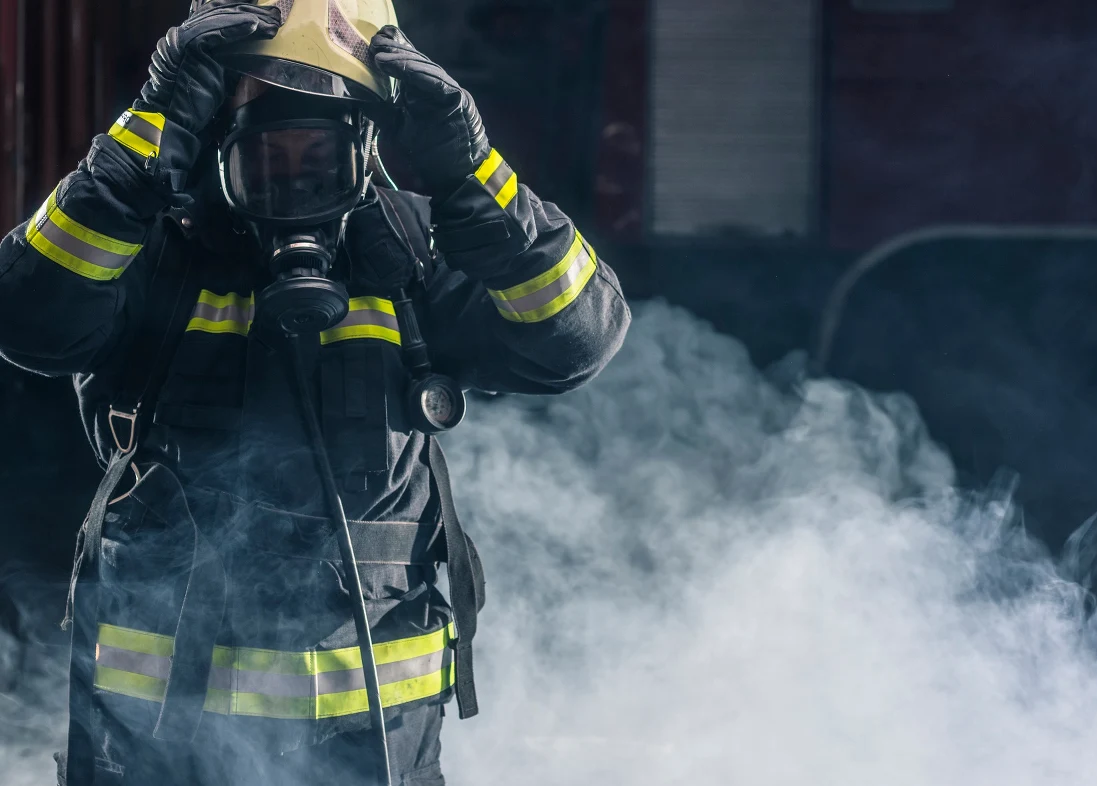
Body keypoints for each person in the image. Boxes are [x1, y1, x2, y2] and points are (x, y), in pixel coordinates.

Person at [0, 1, 630, 784]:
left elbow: (577, 338)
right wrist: (136, 155)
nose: (294, 186)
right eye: (265, 159)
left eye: (320, 158)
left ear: (365, 150)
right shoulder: (150, 255)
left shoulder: (409, 259)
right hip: (158, 753)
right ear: (213, 142)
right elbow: (27, 317)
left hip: (373, 756)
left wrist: (474, 178)